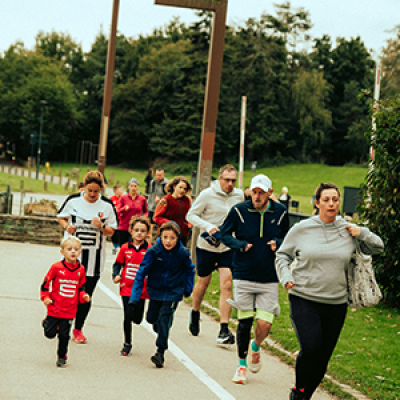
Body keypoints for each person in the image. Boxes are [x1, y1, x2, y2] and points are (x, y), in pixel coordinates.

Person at [275, 182, 384, 400]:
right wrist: (286, 277)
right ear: (317, 203)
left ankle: (304, 395)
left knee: (323, 358)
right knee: (312, 346)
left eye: (335, 199)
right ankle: (299, 391)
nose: (331, 203)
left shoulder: (348, 230)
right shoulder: (302, 229)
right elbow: (282, 256)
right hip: (304, 298)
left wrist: (362, 232)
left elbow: (378, 247)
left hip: (336, 303)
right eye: (326, 200)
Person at [219, 174, 289, 385]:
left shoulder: (280, 212)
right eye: (254, 192)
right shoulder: (239, 211)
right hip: (243, 274)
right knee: (244, 322)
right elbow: (223, 234)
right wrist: (239, 245)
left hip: (269, 276)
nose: (257, 197)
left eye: (261, 193)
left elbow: (288, 237)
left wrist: (278, 242)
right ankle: (241, 366)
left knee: (264, 324)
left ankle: (256, 346)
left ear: (269, 193)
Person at [186, 164, 244, 345]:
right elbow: (191, 215)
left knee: (227, 283)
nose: (230, 184)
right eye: (227, 180)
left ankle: (224, 329)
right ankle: (195, 311)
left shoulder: (239, 195)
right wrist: (208, 226)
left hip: (226, 247)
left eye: (233, 180)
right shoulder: (207, 194)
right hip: (206, 246)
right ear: (219, 179)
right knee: (203, 283)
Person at [57, 171, 117, 344]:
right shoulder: (73, 200)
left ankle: (78, 329)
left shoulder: (106, 205)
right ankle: (62, 322)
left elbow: (112, 231)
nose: (92, 195)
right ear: (84, 187)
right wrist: (67, 226)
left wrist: (102, 227)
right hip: (72, 258)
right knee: (68, 293)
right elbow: (61, 217)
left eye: (96, 191)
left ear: (101, 190)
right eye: (90, 190)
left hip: (94, 259)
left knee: (85, 295)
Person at [128, 221, 195, 368]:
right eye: (165, 237)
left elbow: (190, 270)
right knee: (152, 318)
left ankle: (160, 352)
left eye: (172, 238)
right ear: (160, 236)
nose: (168, 241)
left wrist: (188, 289)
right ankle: (158, 326)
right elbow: (141, 273)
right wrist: (134, 298)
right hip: (156, 290)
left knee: (165, 319)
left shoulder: (182, 253)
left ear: (177, 238)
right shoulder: (154, 251)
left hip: (173, 292)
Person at [40, 237, 90, 367]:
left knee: (64, 335)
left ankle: (62, 356)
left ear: (80, 252)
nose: (73, 252)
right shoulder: (56, 267)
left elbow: (81, 287)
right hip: (55, 307)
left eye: (76, 249)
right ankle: (47, 322)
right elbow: (45, 284)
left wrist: (83, 296)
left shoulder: (81, 270)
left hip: (70, 310)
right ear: (62, 252)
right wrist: (45, 297)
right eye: (69, 249)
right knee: (50, 334)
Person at [112, 216, 151, 356]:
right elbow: (117, 264)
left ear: (147, 233)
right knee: (127, 316)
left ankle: (138, 317)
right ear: (131, 231)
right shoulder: (124, 248)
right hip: (126, 287)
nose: (139, 233)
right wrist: (115, 275)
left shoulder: (149, 250)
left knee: (137, 319)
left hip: (141, 289)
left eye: (143, 230)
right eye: (136, 230)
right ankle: (127, 343)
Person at [153, 176, 192, 246]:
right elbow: (156, 217)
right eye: (180, 187)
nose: (182, 190)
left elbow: (189, 216)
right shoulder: (165, 200)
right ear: (174, 187)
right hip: (167, 237)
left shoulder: (187, 200)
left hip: (182, 237)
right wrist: (171, 223)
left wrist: (189, 224)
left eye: (185, 189)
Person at [117, 178, 148, 246]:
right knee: (123, 248)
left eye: (135, 186)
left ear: (138, 187)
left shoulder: (142, 199)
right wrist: (124, 208)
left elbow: (146, 211)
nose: (133, 188)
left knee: (133, 247)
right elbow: (117, 211)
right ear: (128, 187)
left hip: (136, 228)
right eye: (131, 186)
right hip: (124, 226)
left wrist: (143, 218)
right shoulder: (123, 198)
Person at [110, 184, 124, 254]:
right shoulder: (112, 199)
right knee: (114, 233)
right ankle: (114, 246)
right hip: (114, 218)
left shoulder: (123, 198)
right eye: (120, 190)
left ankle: (121, 248)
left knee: (120, 233)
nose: (122, 191)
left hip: (121, 218)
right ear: (115, 191)